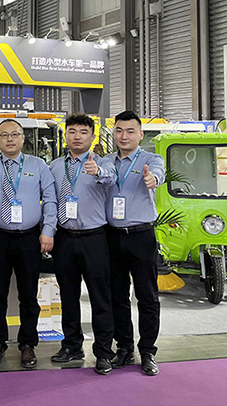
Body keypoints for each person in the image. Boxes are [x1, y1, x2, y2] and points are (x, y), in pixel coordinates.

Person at [0, 118, 57, 369]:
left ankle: (28, 344)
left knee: (29, 295)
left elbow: (50, 199)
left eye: (14, 134)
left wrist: (48, 230)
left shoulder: (38, 164)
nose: (9, 139)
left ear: (23, 138)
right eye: (4, 135)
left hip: (29, 238)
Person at [48, 114, 116, 375]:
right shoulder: (55, 166)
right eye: (72, 131)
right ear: (65, 135)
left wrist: (97, 171)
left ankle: (103, 352)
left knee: (100, 297)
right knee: (68, 295)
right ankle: (72, 345)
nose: (77, 137)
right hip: (64, 237)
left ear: (92, 136)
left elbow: (110, 177)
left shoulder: (103, 163)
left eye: (83, 132)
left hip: (94, 237)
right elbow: (50, 200)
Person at [103, 110, 165, 376]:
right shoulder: (106, 161)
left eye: (130, 131)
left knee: (147, 296)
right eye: (119, 130)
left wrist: (153, 179)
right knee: (117, 296)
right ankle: (124, 348)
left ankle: (148, 351)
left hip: (141, 236)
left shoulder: (151, 159)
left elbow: (159, 174)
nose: (124, 136)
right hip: (112, 236)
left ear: (140, 135)